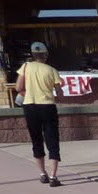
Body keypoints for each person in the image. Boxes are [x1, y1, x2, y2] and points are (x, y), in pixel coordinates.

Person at [14, 40, 63, 186]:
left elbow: (18, 87)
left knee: (36, 140)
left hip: (30, 106)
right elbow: (59, 93)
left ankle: (43, 174)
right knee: (52, 139)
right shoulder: (52, 70)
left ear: (33, 55)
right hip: (47, 106)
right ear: (45, 55)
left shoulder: (25, 67)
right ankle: (54, 177)